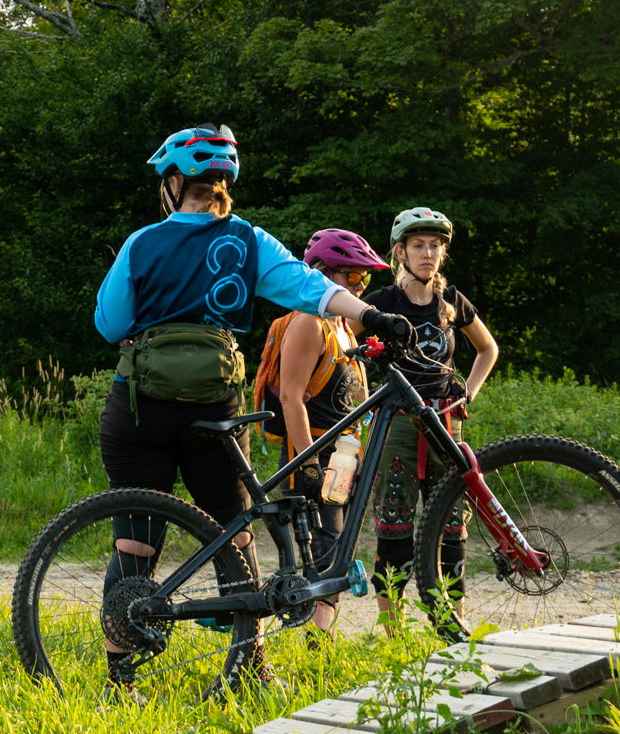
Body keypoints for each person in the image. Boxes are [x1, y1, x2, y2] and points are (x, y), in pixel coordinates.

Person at [95, 123, 413, 694]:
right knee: (235, 533)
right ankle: (251, 668)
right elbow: (312, 288)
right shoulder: (248, 241)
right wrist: (371, 316)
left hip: (140, 408)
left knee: (135, 540)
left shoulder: (142, 243)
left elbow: (111, 324)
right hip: (213, 408)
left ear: (174, 182)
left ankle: (121, 677)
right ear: (223, 185)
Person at [363, 206, 500, 630]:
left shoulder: (452, 301)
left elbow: (487, 349)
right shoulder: (381, 303)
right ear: (400, 252)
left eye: (435, 246)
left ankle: (452, 624)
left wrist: (468, 394)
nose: (428, 253)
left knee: (453, 528)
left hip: (447, 422)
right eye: (418, 245)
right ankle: (394, 632)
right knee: (395, 526)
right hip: (398, 425)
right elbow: (339, 339)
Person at [251, 229, 388, 644]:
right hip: (313, 453)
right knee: (325, 553)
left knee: (337, 548)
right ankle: (314, 648)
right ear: (322, 275)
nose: (361, 286)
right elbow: (292, 397)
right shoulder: (309, 323)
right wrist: (308, 464)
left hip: (342, 455)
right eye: (352, 277)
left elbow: (348, 396)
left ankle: (316, 642)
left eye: (366, 279)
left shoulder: (344, 328)